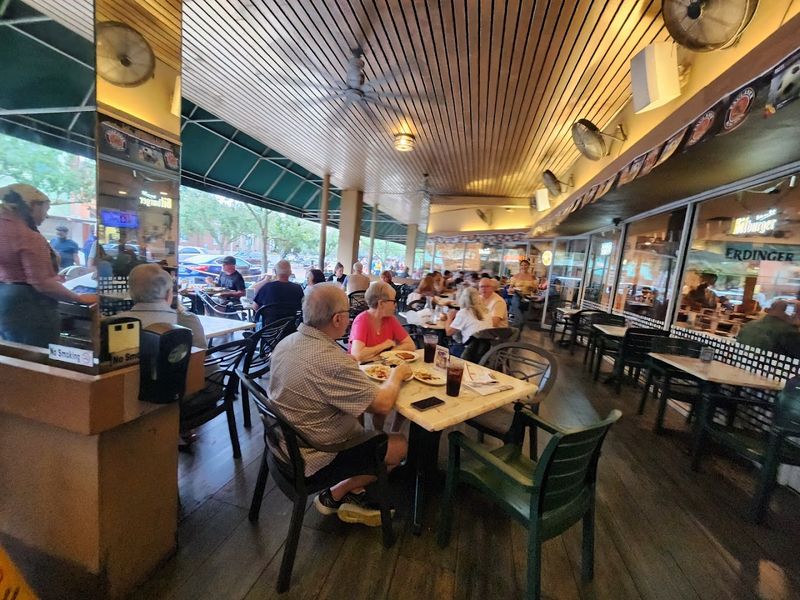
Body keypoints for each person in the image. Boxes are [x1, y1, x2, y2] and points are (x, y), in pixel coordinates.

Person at [267, 283, 409, 525]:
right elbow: (383, 405)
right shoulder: (332, 360)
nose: (349, 318)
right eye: (348, 314)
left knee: (358, 417)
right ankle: (335, 493)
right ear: (337, 319)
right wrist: (398, 373)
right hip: (314, 454)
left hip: (282, 442)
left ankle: (354, 491)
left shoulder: (287, 342)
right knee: (400, 446)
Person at [0, 184, 97, 347]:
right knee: (39, 359)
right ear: (32, 205)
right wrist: (78, 297)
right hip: (30, 305)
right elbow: (41, 283)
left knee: (15, 355)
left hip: (5, 300)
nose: (46, 215)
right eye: (45, 209)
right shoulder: (28, 236)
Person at [117, 263, 206, 348]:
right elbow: (201, 358)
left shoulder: (115, 323)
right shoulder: (186, 321)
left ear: (131, 293)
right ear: (168, 294)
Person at [349, 281, 415, 362]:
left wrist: (388, 353)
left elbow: (410, 345)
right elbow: (357, 355)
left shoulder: (391, 319)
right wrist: (384, 345)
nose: (396, 305)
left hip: (382, 368)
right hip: (360, 370)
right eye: (393, 301)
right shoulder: (362, 320)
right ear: (381, 303)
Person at [253, 259, 304, 323]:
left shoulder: (267, 287)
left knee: (257, 322)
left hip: (269, 328)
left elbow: (255, 307)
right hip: (291, 327)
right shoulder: (298, 288)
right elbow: (303, 307)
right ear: (290, 272)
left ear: (275, 272)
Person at [444, 286, 492, 350]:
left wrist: (449, 318)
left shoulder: (464, 312)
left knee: (445, 341)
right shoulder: (486, 311)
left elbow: (448, 332)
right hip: (487, 351)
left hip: (469, 351)